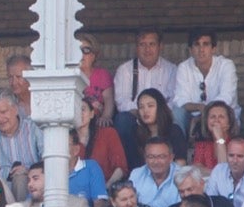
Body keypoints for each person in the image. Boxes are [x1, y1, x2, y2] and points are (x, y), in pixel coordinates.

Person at [113, 29, 177, 158]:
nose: (147, 49)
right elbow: (121, 102)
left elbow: (175, 99)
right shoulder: (125, 70)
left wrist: (156, 113)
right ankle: (129, 167)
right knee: (122, 120)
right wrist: (142, 112)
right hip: (135, 116)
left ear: (160, 46)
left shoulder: (171, 70)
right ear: (136, 47)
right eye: (142, 44)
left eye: (152, 44)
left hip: (162, 117)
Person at [0, 87, 42, 201]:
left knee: (20, 178)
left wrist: (28, 171)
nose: (0, 118)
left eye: (3, 112)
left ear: (15, 109)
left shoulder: (33, 128)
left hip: (28, 186)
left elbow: (46, 160)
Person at [171, 29, 239, 137]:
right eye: (197, 45)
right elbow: (180, 100)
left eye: (206, 44)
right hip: (193, 116)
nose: (201, 49)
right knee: (177, 112)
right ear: (190, 50)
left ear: (213, 49)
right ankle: (181, 152)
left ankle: (223, 149)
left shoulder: (226, 65)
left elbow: (227, 97)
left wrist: (204, 115)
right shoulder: (183, 67)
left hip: (222, 116)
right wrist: (199, 108)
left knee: (221, 116)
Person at [129, 88, 187, 169]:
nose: (145, 111)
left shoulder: (174, 131)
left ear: (160, 108)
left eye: (150, 106)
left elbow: (180, 165)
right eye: (141, 107)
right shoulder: (136, 132)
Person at [76, 96, 127, 187]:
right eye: (75, 110)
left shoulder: (108, 133)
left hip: (107, 190)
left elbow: (120, 168)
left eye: (83, 109)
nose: (79, 113)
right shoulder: (66, 140)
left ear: (91, 114)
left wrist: (106, 188)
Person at [128, 137, 180, 207]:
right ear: (145, 158)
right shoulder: (137, 174)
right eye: (151, 157)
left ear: (171, 158)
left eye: (161, 157)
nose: (156, 162)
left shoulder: (182, 175)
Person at [205, 136, 244, 207]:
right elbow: (210, 202)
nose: (235, 161)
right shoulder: (218, 171)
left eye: (240, 156)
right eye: (231, 155)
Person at [68, 129, 109, 207]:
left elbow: (99, 203)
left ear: (76, 149)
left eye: (63, 145)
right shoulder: (49, 173)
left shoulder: (90, 167)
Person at [77, 32, 116, 127]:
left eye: (86, 50)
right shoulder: (70, 74)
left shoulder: (102, 75)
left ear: (94, 55)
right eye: (78, 50)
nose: (81, 55)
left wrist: (106, 116)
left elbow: (109, 100)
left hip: (97, 122)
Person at [192, 101, 238, 170]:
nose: (216, 120)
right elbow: (197, 169)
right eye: (212, 117)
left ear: (229, 123)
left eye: (221, 117)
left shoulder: (236, 145)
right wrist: (215, 175)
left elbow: (224, 170)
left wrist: (219, 139)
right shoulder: (202, 145)